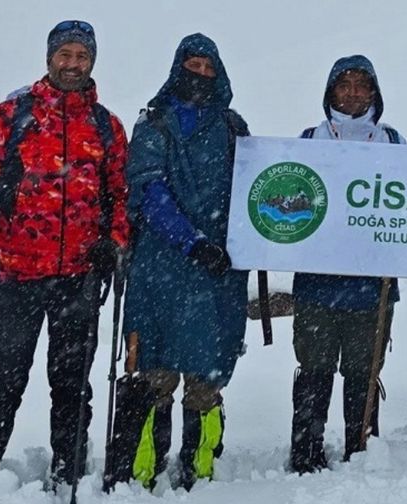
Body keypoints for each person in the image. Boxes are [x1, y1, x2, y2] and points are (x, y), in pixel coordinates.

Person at [0, 20, 129, 502]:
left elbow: (122, 196)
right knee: (2, 386)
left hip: (79, 277)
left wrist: (114, 241)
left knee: (72, 388)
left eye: (81, 56)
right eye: (65, 54)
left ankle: (69, 476)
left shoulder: (106, 126)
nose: (73, 64)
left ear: (93, 61)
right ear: (50, 58)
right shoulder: (13, 115)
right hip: (18, 274)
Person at [120, 33, 249, 490]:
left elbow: (256, 191)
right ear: (178, 69)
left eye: (207, 68)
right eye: (192, 67)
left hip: (216, 272)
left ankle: (201, 464)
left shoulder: (233, 129)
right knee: (154, 373)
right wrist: (191, 241)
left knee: (206, 374)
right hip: (161, 268)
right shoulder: (154, 125)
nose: (199, 76)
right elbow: (149, 189)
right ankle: (144, 467)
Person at [289, 55, 405, 474]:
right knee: (314, 368)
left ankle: (361, 447)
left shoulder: (392, 141)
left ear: (374, 93)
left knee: (363, 370)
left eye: (362, 85)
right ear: (330, 92)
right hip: (317, 283)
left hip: (371, 286)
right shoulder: (307, 139)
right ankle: (305, 450)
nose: (353, 92)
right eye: (345, 84)